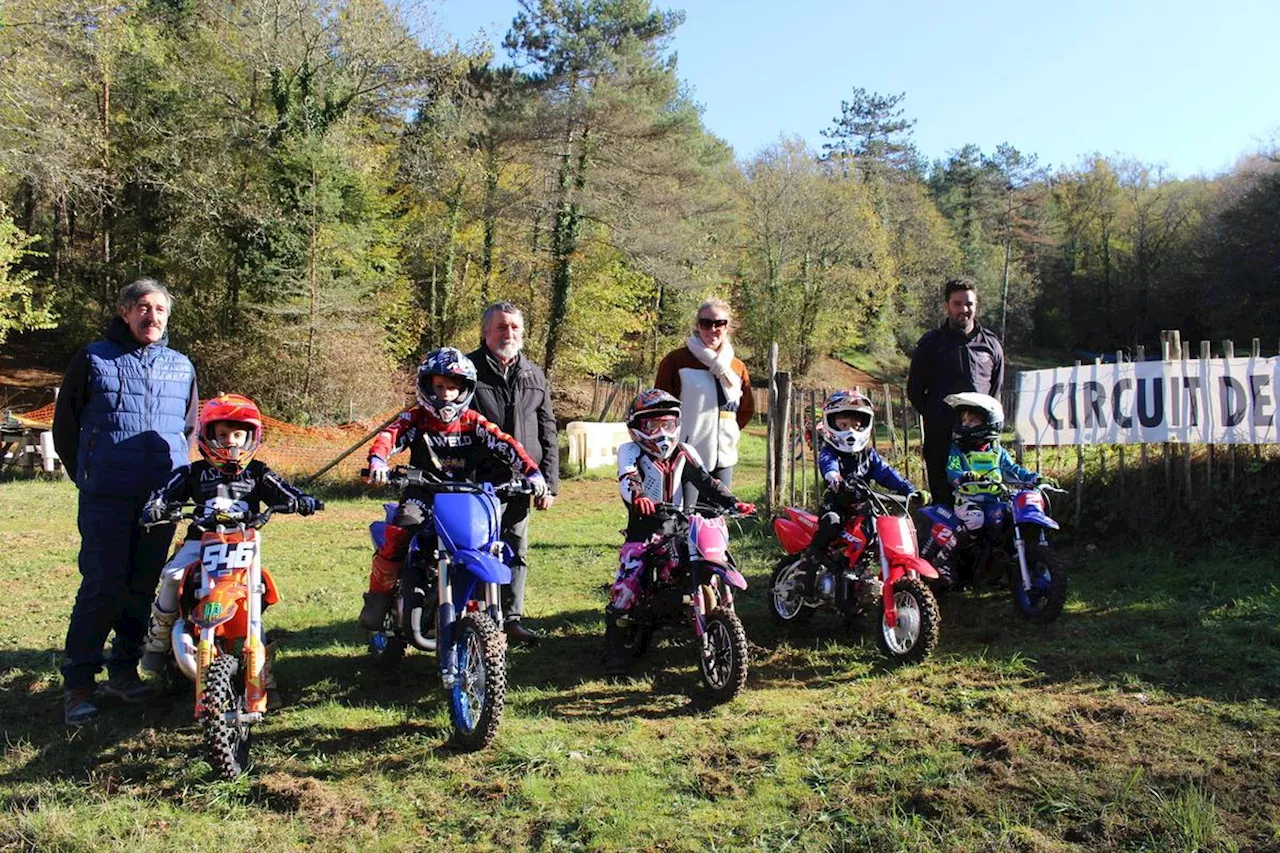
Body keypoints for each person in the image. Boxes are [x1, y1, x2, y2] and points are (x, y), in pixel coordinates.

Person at [52, 277, 199, 726]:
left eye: (159, 309)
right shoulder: (93, 359)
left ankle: (124, 671)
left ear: (167, 316)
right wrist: (90, 474)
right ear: (124, 311)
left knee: (142, 587)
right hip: (107, 497)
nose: (151, 316)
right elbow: (66, 428)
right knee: (102, 585)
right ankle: (78, 683)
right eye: (142, 308)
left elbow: (189, 429)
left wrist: (176, 479)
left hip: (160, 501)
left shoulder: (181, 366)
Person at [138, 393, 320, 708]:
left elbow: (284, 490)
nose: (230, 442)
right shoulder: (193, 472)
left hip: (243, 545)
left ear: (250, 436)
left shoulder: (257, 472)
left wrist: (301, 500)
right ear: (208, 435)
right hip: (200, 541)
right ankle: (157, 641)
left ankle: (266, 678)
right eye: (222, 434)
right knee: (171, 576)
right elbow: (164, 493)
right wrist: (155, 506)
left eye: (237, 434)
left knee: (254, 600)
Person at [359, 347, 548, 631]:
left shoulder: (473, 422)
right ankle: (379, 598)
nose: (446, 394)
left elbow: (505, 442)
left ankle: (483, 607)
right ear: (426, 385)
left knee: (490, 542)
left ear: (465, 390)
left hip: (466, 496)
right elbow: (391, 435)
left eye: (452, 387)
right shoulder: (417, 419)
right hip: (422, 493)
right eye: (439, 386)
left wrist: (532, 473)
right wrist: (378, 460)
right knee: (402, 528)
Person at [602, 389, 754, 675]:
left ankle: (721, 624)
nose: (662, 433)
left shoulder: (686, 450)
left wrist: (734, 503)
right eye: (652, 426)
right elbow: (628, 477)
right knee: (627, 586)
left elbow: (707, 482)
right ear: (637, 427)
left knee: (712, 556)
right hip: (645, 529)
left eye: (667, 424)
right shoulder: (630, 451)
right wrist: (638, 498)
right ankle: (613, 647)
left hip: (681, 525)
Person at [467, 302, 559, 646]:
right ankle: (474, 619)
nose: (509, 334)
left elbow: (548, 431)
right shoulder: (468, 371)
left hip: (522, 484)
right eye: (501, 327)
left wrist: (549, 484)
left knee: (515, 550)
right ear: (485, 333)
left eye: (515, 327)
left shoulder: (534, 374)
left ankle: (512, 619)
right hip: (477, 481)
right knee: (475, 550)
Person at [803, 390, 928, 577]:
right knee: (831, 522)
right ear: (831, 423)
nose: (850, 430)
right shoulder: (830, 451)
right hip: (837, 503)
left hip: (865, 508)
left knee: (882, 535)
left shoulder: (869, 456)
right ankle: (812, 557)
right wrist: (834, 477)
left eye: (856, 425)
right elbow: (828, 465)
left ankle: (864, 575)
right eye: (843, 425)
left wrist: (910, 490)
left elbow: (887, 474)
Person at [906, 277, 1005, 507]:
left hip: (980, 445)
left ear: (976, 305)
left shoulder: (991, 345)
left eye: (969, 303)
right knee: (944, 505)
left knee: (985, 502)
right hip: (941, 440)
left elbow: (995, 393)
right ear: (947, 306)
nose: (964, 309)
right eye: (957, 304)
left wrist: (977, 425)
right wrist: (938, 417)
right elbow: (915, 391)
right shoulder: (930, 345)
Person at [934, 393, 1055, 575]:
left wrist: (1036, 478)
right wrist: (964, 475)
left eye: (972, 421)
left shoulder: (998, 452)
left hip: (996, 500)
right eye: (964, 420)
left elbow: (1013, 470)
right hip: (968, 501)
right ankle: (947, 555)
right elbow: (952, 470)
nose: (965, 425)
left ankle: (1008, 562)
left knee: (1012, 516)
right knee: (975, 520)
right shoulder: (958, 451)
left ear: (988, 424)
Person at [654, 297, 754, 511]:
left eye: (720, 323)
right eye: (706, 323)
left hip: (723, 456)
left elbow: (745, 409)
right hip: (687, 455)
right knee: (684, 517)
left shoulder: (737, 367)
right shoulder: (677, 361)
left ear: (728, 327)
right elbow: (660, 409)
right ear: (697, 326)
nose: (713, 329)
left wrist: (729, 432)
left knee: (716, 520)